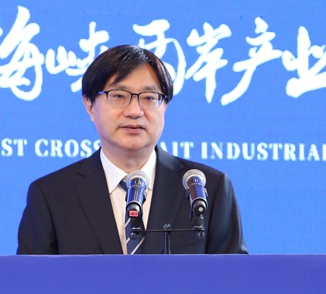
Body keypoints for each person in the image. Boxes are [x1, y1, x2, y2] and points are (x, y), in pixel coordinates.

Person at [16, 45, 247, 255]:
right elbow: (30, 283)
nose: (135, 111)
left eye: (149, 98)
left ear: (165, 105)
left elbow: (236, 280)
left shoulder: (207, 189)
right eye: (118, 96)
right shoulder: (52, 196)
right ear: (89, 105)